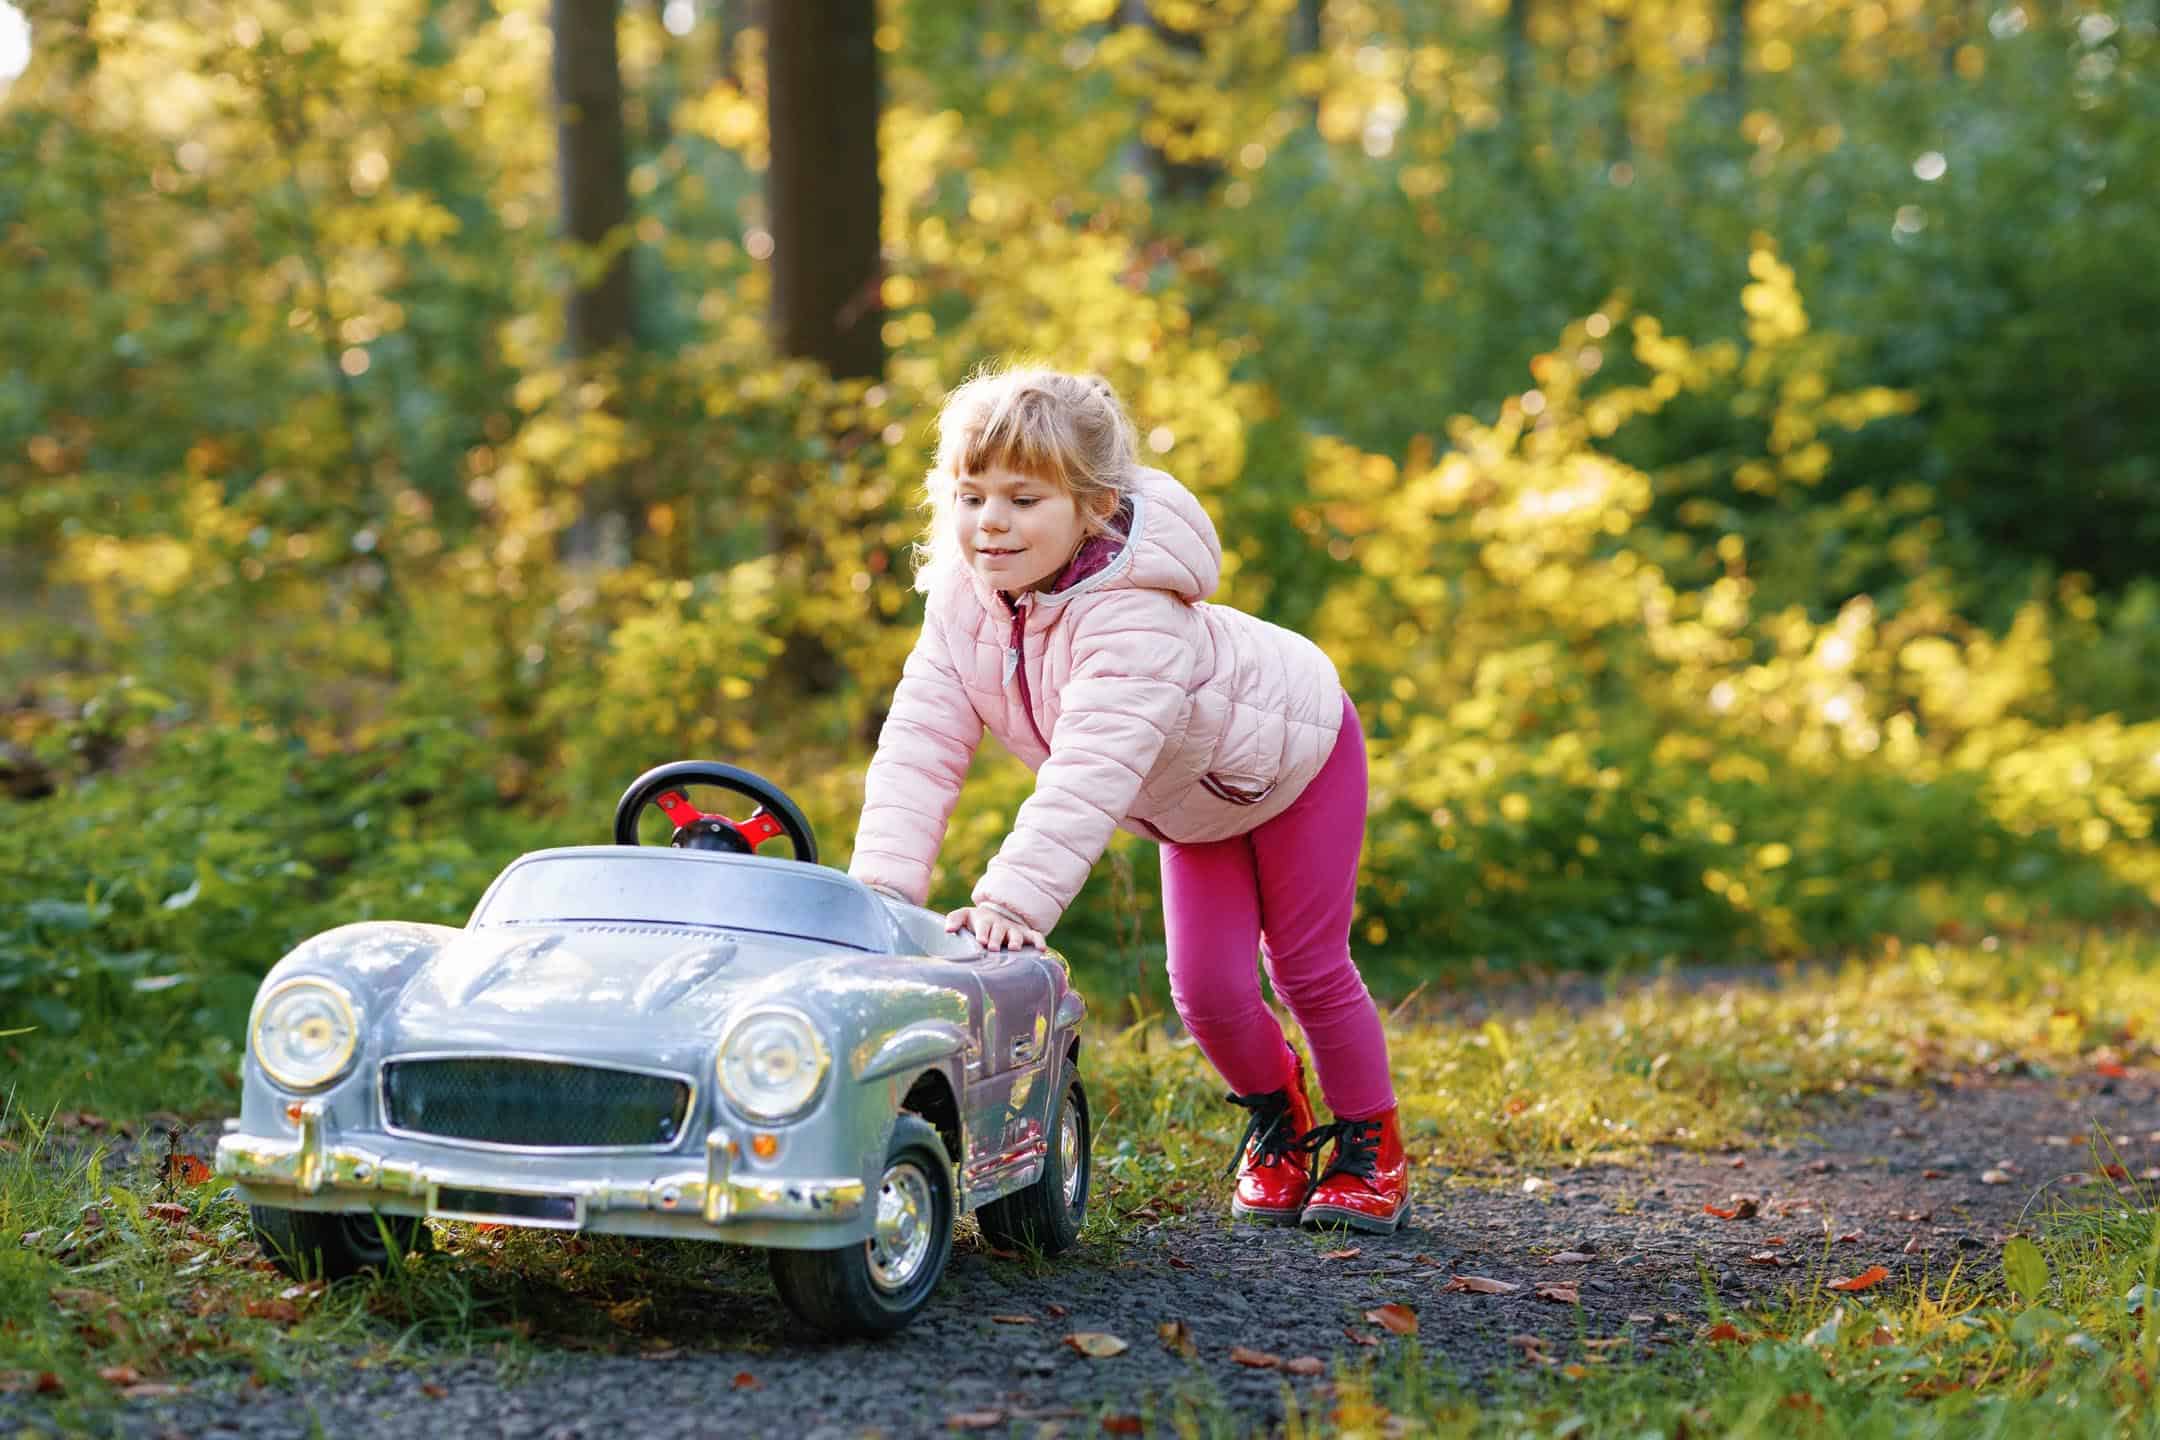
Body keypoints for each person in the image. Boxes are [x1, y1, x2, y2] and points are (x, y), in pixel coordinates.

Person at [848, 364, 1408, 1232]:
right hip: (1193, 803)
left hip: (1295, 755)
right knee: (1209, 992)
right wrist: (882, 893)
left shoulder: (1134, 616)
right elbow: (921, 743)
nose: (991, 521)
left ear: (1094, 507)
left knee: (1303, 964)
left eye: (1024, 500)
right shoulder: (963, 603)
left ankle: (1373, 1145)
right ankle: (1281, 1120)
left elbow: (1090, 769)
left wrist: (1011, 902)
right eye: (971, 495)